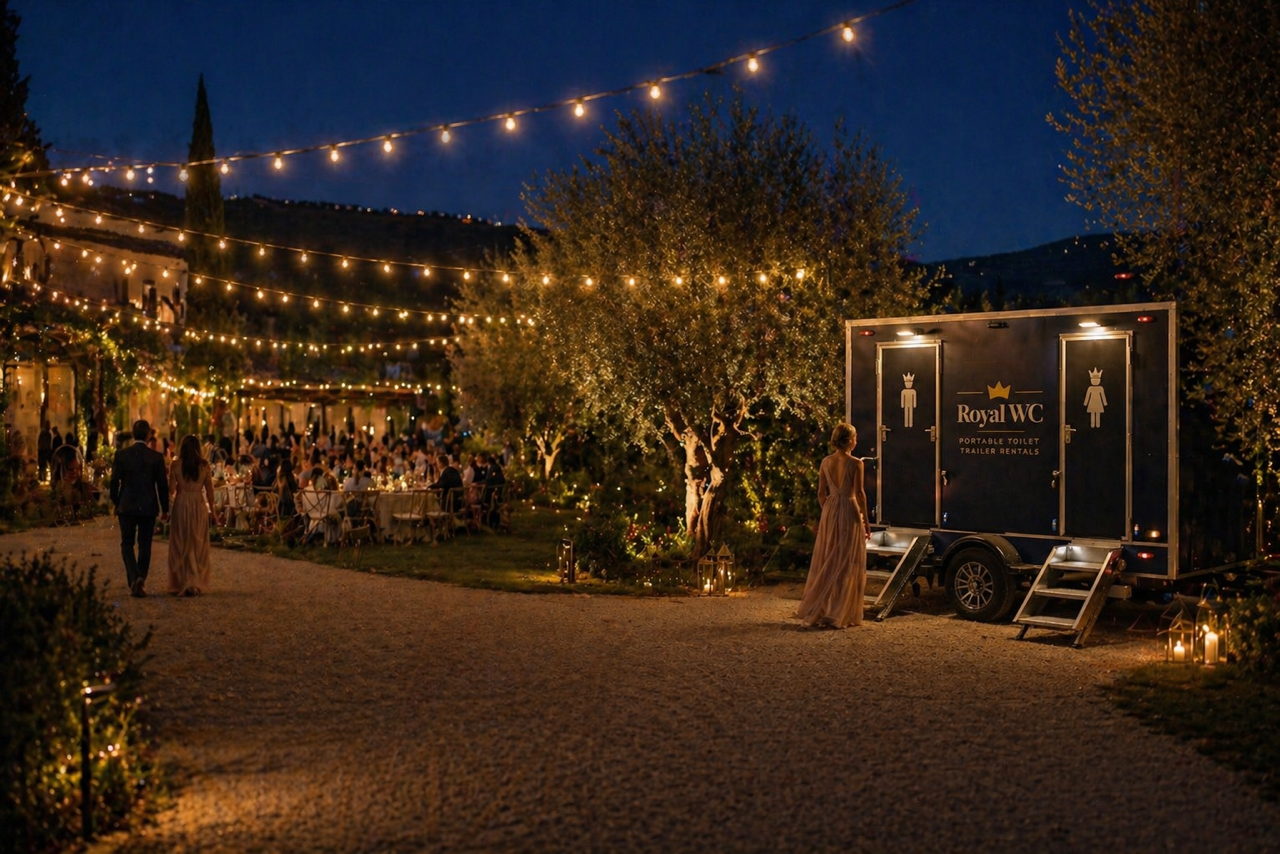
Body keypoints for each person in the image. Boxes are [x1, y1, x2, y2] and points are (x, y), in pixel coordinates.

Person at [795, 422, 869, 629]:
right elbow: (860, 493)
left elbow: (821, 493)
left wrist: (828, 511)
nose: (856, 440)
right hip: (849, 509)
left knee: (830, 556)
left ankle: (823, 608)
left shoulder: (826, 462)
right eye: (855, 437)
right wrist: (866, 521)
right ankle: (840, 611)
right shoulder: (856, 463)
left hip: (830, 509)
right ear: (849, 440)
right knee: (847, 559)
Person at [110, 419, 170, 598]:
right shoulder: (156, 457)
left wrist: (116, 502)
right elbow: (162, 486)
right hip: (148, 506)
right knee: (145, 544)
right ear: (149, 435)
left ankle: (134, 576)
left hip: (127, 506)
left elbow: (114, 482)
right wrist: (165, 508)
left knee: (127, 543)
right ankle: (141, 578)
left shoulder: (122, 455)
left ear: (133, 433)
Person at [167, 434, 215, 596]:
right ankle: (195, 581)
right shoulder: (204, 466)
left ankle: (182, 581)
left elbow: (171, 490)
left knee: (181, 542)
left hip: (181, 503)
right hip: (198, 504)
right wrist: (214, 512)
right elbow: (210, 492)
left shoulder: (175, 465)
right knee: (197, 543)